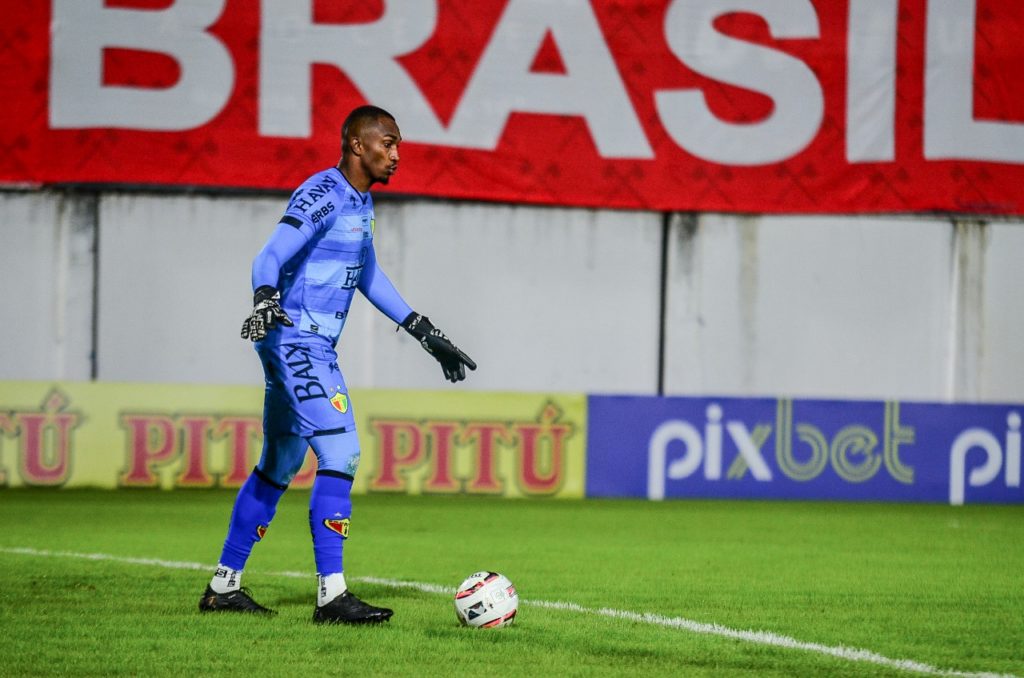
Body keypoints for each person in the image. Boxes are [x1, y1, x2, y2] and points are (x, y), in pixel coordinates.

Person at [198, 105, 476, 624]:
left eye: (397, 145)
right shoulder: (323, 192)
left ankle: (223, 586)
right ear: (357, 145)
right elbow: (269, 255)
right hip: (296, 341)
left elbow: (368, 275)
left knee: (279, 463)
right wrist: (263, 297)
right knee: (342, 450)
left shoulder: (360, 203)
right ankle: (332, 595)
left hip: (310, 346)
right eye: (388, 143)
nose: (396, 154)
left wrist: (423, 329)